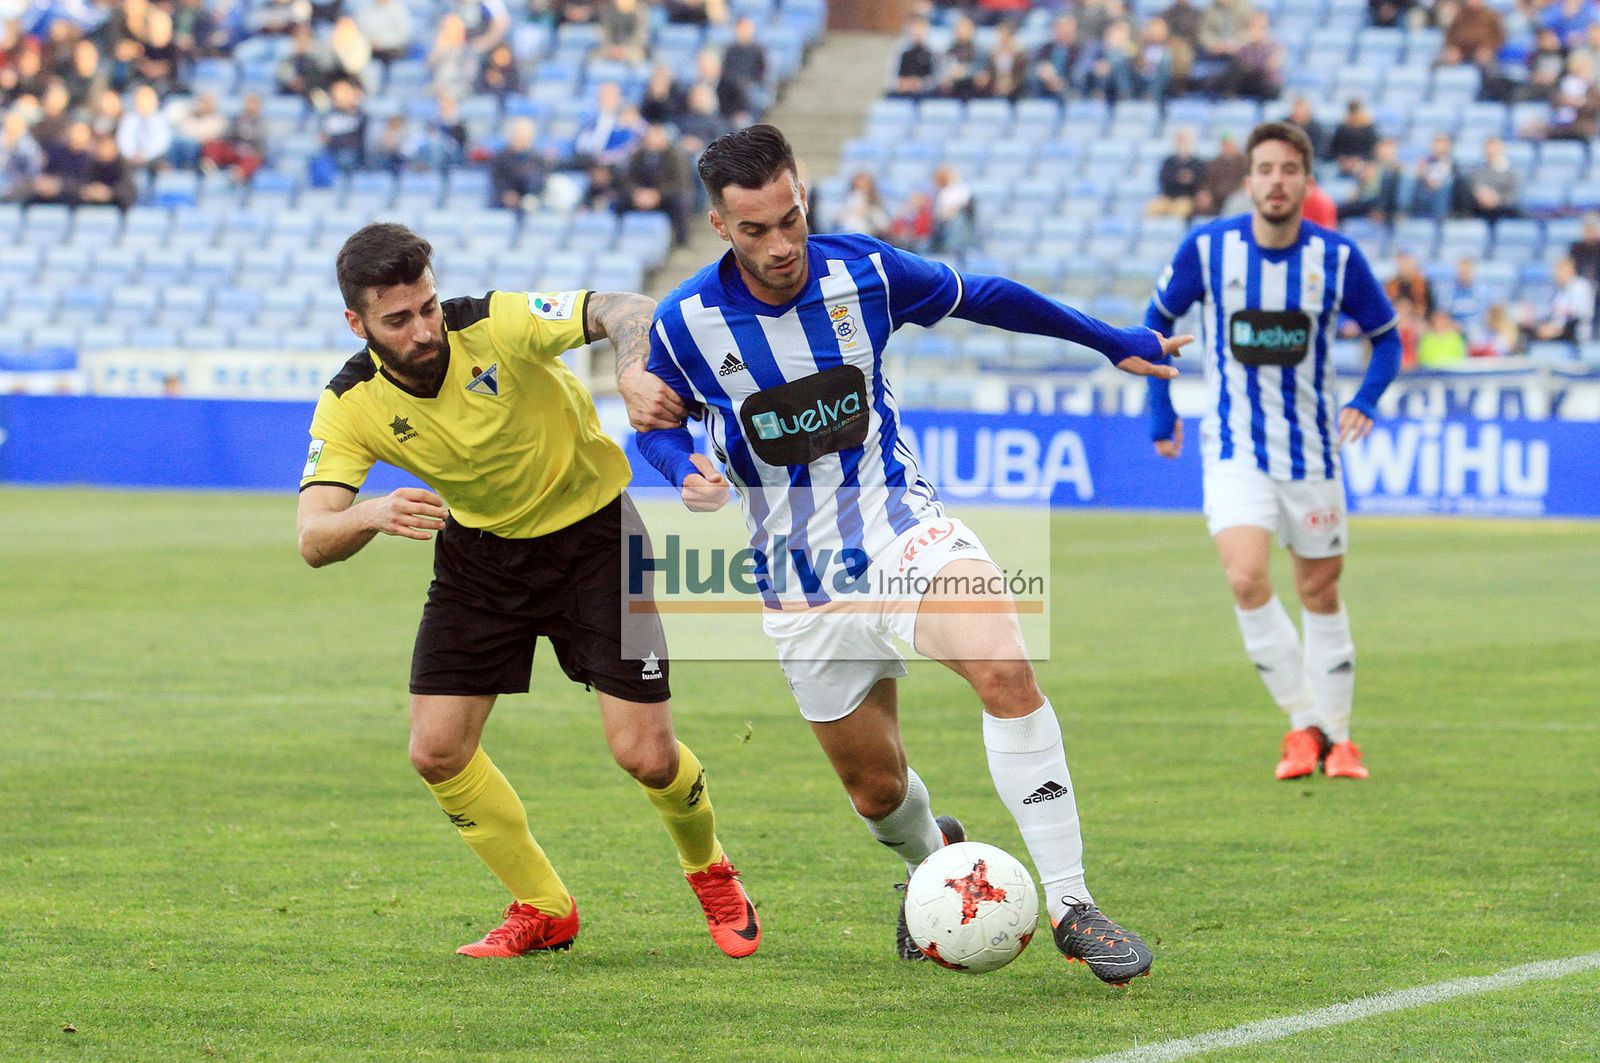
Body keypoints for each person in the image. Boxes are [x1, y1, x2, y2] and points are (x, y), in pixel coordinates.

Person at [635, 125, 1187, 985]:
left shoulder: (867, 271)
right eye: (756, 230)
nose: (781, 245)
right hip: (796, 584)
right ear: (718, 225)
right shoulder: (685, 326)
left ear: (802, 194)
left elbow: (990, 295)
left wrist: (1108, 337)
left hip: (902, 531)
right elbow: (655, 426)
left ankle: (1076, 905)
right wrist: (685, 470)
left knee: (1004, 666)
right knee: (877, 795)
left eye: (791, 219)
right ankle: (934, 857)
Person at [295, 223, 762, 960]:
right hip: (481, 558)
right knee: (436, 749)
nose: (424, 329)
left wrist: (635, 369)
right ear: (357, 323)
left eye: (427, 306)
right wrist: (372, 511)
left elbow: (625, 306)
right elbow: (313, 537)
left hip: (596, 540)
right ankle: (545, 907)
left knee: (645, 754)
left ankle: (711, 869)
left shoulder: (493, 322)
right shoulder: (350, 402)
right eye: (398, 319)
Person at [1144, 122, 1401, 782]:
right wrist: (1161, 405)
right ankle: (1303, 722)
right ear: (1249, 179)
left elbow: (1388, 338)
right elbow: (1154, 324)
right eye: (1265, 169)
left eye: (1290, 169)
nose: (1277, 181)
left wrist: (1366, 400)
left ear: (1306, 181)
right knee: (1245, 577)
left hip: (1315, 452)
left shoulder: (1337, 258)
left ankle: (1340, 740)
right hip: (1235, 447)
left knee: (1319, 589)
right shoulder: (1207, 249)